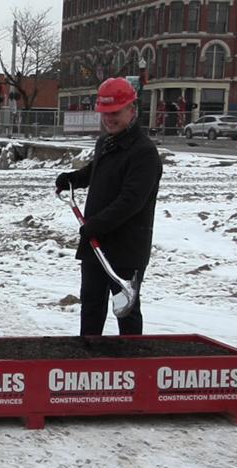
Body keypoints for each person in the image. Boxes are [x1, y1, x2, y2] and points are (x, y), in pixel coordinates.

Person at [55, 78, 163, 336]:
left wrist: (96, 225)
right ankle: (90, 362)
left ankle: (131, 363)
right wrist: (74, 178)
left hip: (125, 248)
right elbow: (97, 172)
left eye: (114, 113)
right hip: (96, 244)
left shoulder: (144, 153)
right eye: (104, 114)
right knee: (91, 306)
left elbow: (131, 201)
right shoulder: (106, 142)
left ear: (132, 111)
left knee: (125, 309)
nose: (108, 119)